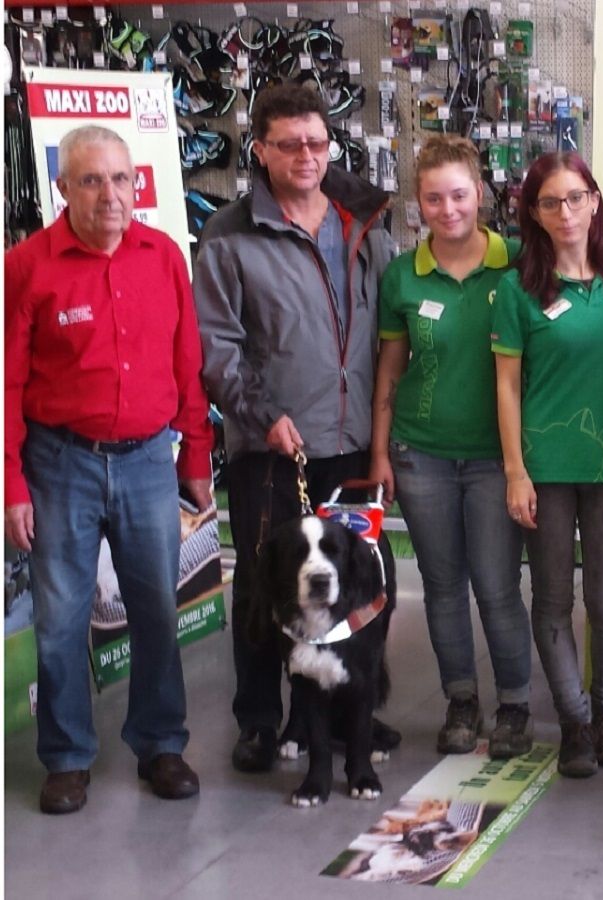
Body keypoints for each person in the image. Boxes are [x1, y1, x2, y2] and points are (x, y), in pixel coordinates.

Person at [4, 125, 213, 813]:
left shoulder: (162, 258)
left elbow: (188, 362)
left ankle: (160, 743)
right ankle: (66, 756)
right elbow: (6, 382)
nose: (111, 195)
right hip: (59, 463)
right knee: (62, 615)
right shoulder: (26, 266)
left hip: (151, 461)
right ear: (63, 188)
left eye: (122, 179)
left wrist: (197, 457)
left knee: (156, 605)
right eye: (92, 181)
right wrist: (11, 484)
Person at [193, 83, 400, 773]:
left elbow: (388, 335)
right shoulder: (229, 235)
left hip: (353, 446)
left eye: (317, 141)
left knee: (358, 584)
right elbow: (216, 345)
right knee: (264, 584)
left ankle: (350, 714)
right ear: (260, 150)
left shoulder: (363, 223)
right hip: (273, 449)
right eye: (289, 144)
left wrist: (384, 439)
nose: (307, 156)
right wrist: (258, 416)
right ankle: (259, 720)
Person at [369, 135, 533, 759]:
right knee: (441, 586)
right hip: (421, 454)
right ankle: (461, 700)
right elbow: (388, 369)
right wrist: (381, 452)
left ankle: (514, 704)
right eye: (434, 198)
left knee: (495, 586)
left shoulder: (517, 262)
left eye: (459, 194)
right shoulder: (402, 277)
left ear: (481, 194)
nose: (448, 208)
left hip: (497, 457)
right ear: (418, 203)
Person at [491, 152, 603, 778]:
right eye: (550, 202)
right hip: (545, 468)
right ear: (533, 213)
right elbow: (507, 386)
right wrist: (515, 470)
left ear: (595, 201)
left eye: (575, 197)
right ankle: (574, 722)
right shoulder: (517, 289)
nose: (566, 211)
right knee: (551, 598)